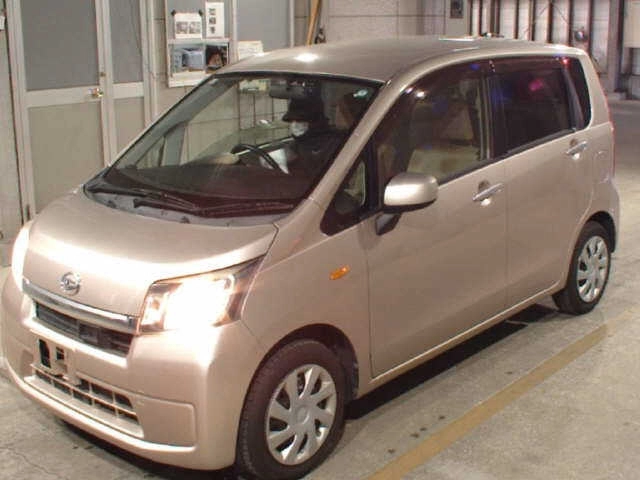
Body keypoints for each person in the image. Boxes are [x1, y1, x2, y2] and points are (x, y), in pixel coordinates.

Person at [281, 97, 341, 177]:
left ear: (315, 121)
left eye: (300, 120)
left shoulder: (334, 144)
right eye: (291, 121)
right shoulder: (297, 144)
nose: (294, 125)